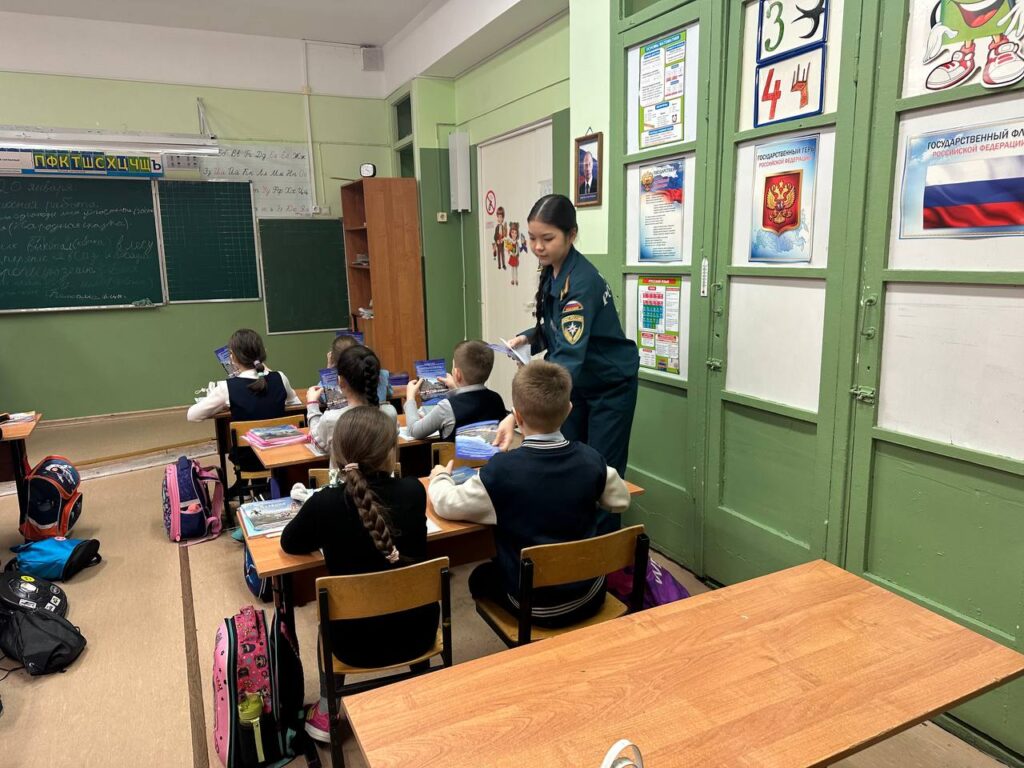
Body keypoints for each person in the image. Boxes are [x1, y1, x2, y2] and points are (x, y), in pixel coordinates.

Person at [430, 361, 630, 626]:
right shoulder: (592, 460)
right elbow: (621, 501)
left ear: (517, 416)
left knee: (480, 577)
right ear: (569, 410)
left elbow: (446, 503)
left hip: (535, 607)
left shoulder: (501, 472)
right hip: (590, 594)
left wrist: (440, 477)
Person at [280, 406, 438, 743]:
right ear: (391, 452)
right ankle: (424, 687)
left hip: (352, 645)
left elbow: (289, 542)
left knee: (328, 617)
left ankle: (328, 708)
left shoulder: (324, 503)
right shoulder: (413, 491)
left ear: (337, 456)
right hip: (417, 634)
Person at [497, 194, 639, 534]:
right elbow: (555, 329)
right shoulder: (553, 271)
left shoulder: (581, 283)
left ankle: (602, 554)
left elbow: (568, 360)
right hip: (579, 384)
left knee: (601, 474)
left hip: (608, 388)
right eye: (532, 238)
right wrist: (528, 338)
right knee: (567, 465)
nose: (538, 247)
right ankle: (570, 543)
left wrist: (519, 412)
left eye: (547, 238)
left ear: (571, 235)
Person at [403, 340, 507, 441]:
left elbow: (414, 431)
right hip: (489, 453)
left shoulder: (446, 407)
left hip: (456, 454)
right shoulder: (497, 400)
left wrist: (410, 398)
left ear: (457, 374)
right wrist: (456, 388)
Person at [305, 345, 398, 458]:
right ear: (377, 379)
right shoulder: (390, 413)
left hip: (343, 471)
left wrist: (312, 405)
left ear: (340, 381)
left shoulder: (331, 419)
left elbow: (318, 444)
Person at [327, 334, 390, 404]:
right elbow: (389, 392)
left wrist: (328, 371)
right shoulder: (382, 374)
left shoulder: (337, 380)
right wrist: (368, 357)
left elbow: (324, 397)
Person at [493, 206, 508, 270]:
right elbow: (495, 236)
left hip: (502, 242)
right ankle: (499, 265)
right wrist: (497, 240)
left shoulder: (503, 227)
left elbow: (505, 235)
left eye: (500, 217)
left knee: (502, 254)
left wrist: (502, 239)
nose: (499, 219)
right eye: (498, 217)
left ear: (503, 218)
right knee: (498, 254)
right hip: (498, 242)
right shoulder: (497, 227)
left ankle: (503, 264)